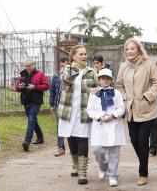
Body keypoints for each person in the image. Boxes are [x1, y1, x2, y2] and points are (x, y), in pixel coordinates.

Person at [115, 38, 157, 186]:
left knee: (142, 140)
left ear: (139, 50)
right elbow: (119, 85)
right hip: (131, 110)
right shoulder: (123, 66)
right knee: (134, 140)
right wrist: (125, 98)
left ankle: (143, 173)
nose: (129, 51)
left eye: (132, 48)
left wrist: (147, 96)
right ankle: (144, 162)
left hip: (147, 109)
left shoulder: (148, 64)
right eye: (127, 49)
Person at [57, 45, 98, 185]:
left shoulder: (91, 71)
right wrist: (75, 68)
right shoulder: (66, 69)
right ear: (73, 56)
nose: (84, 56)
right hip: (68, 110)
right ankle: (75, 164)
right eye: (81, 54)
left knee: (82, 139)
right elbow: (66, 80)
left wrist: (96, 90)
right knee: (71, 138)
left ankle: (82, 170)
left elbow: (97, 86)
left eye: (85, 54)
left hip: (83, 111)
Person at [87, 68, 126, 187]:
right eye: (103, 78)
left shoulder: (117, 93)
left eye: (108, 78)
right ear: (99, 79)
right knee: (97, 150)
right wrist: (99, 116)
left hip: (113, 125)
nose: (105, 80)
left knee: (114, 153)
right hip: (99, 126)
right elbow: (90, 110)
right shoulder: (94, 94)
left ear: (111, 80)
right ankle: (103, 167)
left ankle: (112, 175)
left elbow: (121, 108)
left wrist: (112, 115)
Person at [16, 59, 49, 151]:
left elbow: (46, 85)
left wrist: (34, 87)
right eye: (25, 66)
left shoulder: (40, 74)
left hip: (36, 100)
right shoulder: (22, 74)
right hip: (26, 100)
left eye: (29, 66)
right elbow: (17, 87)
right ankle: (40, 137)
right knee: (33, 120)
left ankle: (27, 141)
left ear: (33, 65)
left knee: (31, 120)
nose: (27, 68)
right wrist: (20, 86)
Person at [50, 57, 69, 157]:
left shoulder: (73, 75)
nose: (63, 67)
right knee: (59, 126)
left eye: (65, 65)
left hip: (70, 105)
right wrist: (51, 104)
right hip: (58, 105)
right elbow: (52, 91)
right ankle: (60, 147)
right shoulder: (56, 76)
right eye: (61, 65)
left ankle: (75, 148)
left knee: (71, 126)